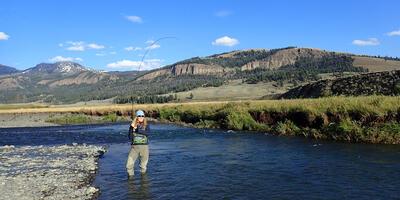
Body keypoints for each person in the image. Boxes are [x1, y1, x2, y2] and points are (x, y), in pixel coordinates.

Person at [126, 110, 151, 177]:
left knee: (143, 166)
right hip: (134, 148)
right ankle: (131, 181)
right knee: (129, 165)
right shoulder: (132, 125)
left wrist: (137, 130)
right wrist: (132, 128)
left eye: (142, 116)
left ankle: (143, 181)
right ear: (136, 117)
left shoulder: (146, 125)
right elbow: (130, 136)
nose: (141, 117)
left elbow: (147, 133)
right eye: (139, 116)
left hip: (144, 148)